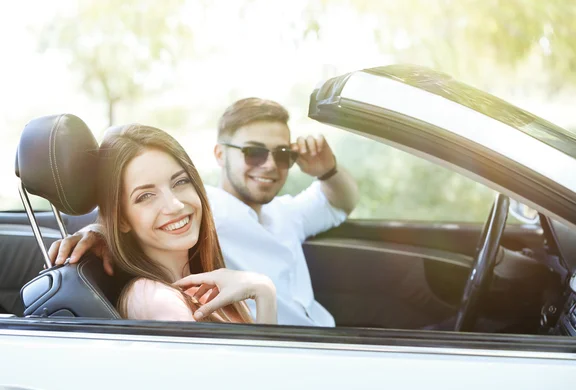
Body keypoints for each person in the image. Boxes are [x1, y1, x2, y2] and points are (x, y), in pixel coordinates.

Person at [49, 98, 359, 326]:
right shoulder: (210, 208)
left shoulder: (284, 213)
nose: (269, 164)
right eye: (254, 152)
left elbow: (340, 202)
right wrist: (98, 230)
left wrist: (328, 169)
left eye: (282, 154)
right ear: (220, 154)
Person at [93, 124, 277, 324]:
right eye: (145, 196)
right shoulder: (155, 298)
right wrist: (264, 292)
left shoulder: (210, 283)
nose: (174, 205)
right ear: (121, 219)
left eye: (180, 182)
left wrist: (263, 291)